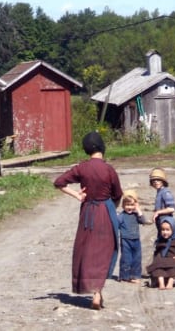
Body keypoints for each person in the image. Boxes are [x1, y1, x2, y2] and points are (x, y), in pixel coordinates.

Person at [54, 132, 122, 310]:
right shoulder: (109, 169)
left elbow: (59, 182)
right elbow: (118, 194)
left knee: (88, 252)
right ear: (102, 147)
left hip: (88, 214)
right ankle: (97, 293)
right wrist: (112, 208)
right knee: (104, 251)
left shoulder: (81, 168)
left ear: (86, 149)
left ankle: (93, 290)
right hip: (106, 212)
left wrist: (77, 195)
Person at [146, 216, 175, 290]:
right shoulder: (160, 240)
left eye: (167, 230)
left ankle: (170, 282)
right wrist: (156, 258)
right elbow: (157, 250)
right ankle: (161, 283)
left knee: (173, 268)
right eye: (163, 230)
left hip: (173, 260)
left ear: (173, 230)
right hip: (162, 260)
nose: (165, 232)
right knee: (158, 268)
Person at [117, 190, 149, 283]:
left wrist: (138, 210)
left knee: (137, 258)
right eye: (127, 205)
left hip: (136, 240)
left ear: (135, 205)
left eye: (132, 205)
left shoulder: (136, 215)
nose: (129, 207)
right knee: (126, 259)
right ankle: (124, 276)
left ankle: (135, 276)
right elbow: (116, 224)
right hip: (125, 240)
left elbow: (143, 221)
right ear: (123, 206)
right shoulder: (121, 216)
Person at [149, 167, 175, 237]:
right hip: (160, 223)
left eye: (158, 180)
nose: (156, 182)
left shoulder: (166, 192)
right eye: (154, 180)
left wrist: (158, 212)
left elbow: (171, 208)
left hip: (166, 223)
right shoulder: (159, 192)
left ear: (163, 181)